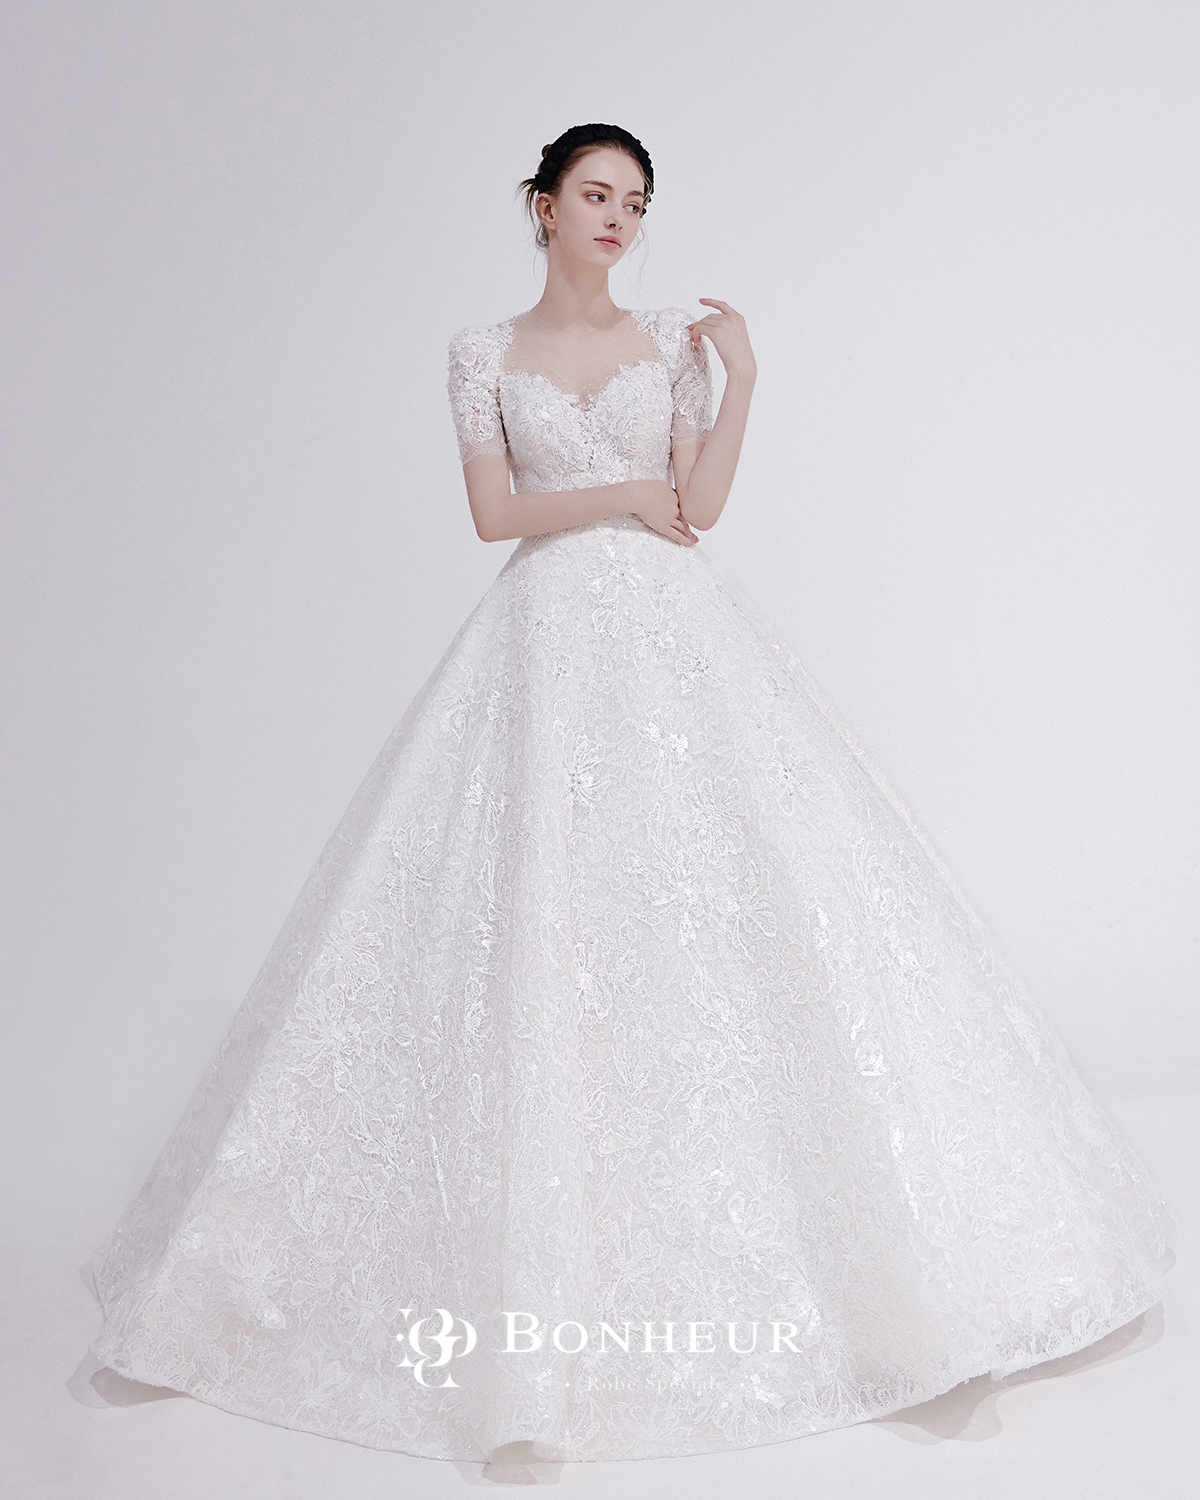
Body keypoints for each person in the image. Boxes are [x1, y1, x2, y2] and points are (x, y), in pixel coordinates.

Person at [83, 122, 1170, 1465]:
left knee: (733, 899)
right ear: (541, 205)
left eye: (637, 201)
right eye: (596, 193)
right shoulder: (482, 352)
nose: (619, 217)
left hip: (673, 634)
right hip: (541, 640)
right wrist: (620, 490)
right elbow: (494, 516)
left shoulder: (670, 342)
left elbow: (697, 504)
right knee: (534, 906)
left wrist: (744, 380)